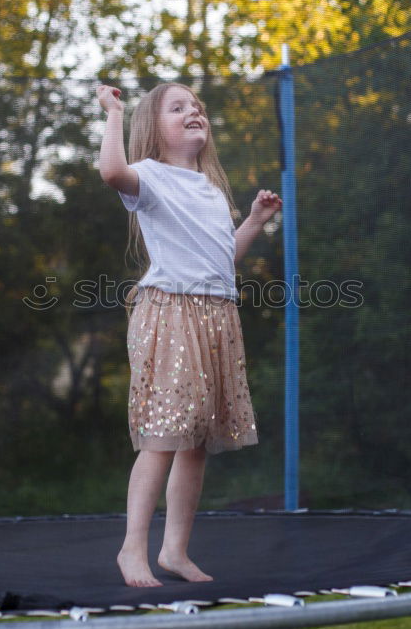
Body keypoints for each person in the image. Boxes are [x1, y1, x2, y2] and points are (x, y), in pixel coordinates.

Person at [96, 81, 282, 587]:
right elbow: (111, 171)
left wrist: (257, 220)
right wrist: (113, 113)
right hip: (171, 313)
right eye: (178, 108)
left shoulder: (210, 189)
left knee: (196, 440)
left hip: (216, 315)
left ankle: (174, 550)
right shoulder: (150, 177)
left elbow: (221, 260)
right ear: (154, 131)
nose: (193, 112)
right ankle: (132, 548)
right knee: (163, 435)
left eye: (196, 107)